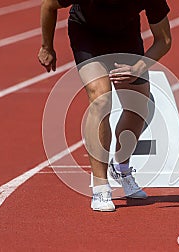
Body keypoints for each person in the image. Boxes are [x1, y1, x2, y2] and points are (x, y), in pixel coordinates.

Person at [38, 0, 172, 211]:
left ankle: (121, 167)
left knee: (138, 107)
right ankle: (100, 187)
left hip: (125, 35)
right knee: (101, 100)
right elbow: (48, 5)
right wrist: (47, 47)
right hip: (87, 34)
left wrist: (139, 67)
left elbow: (164, 40)